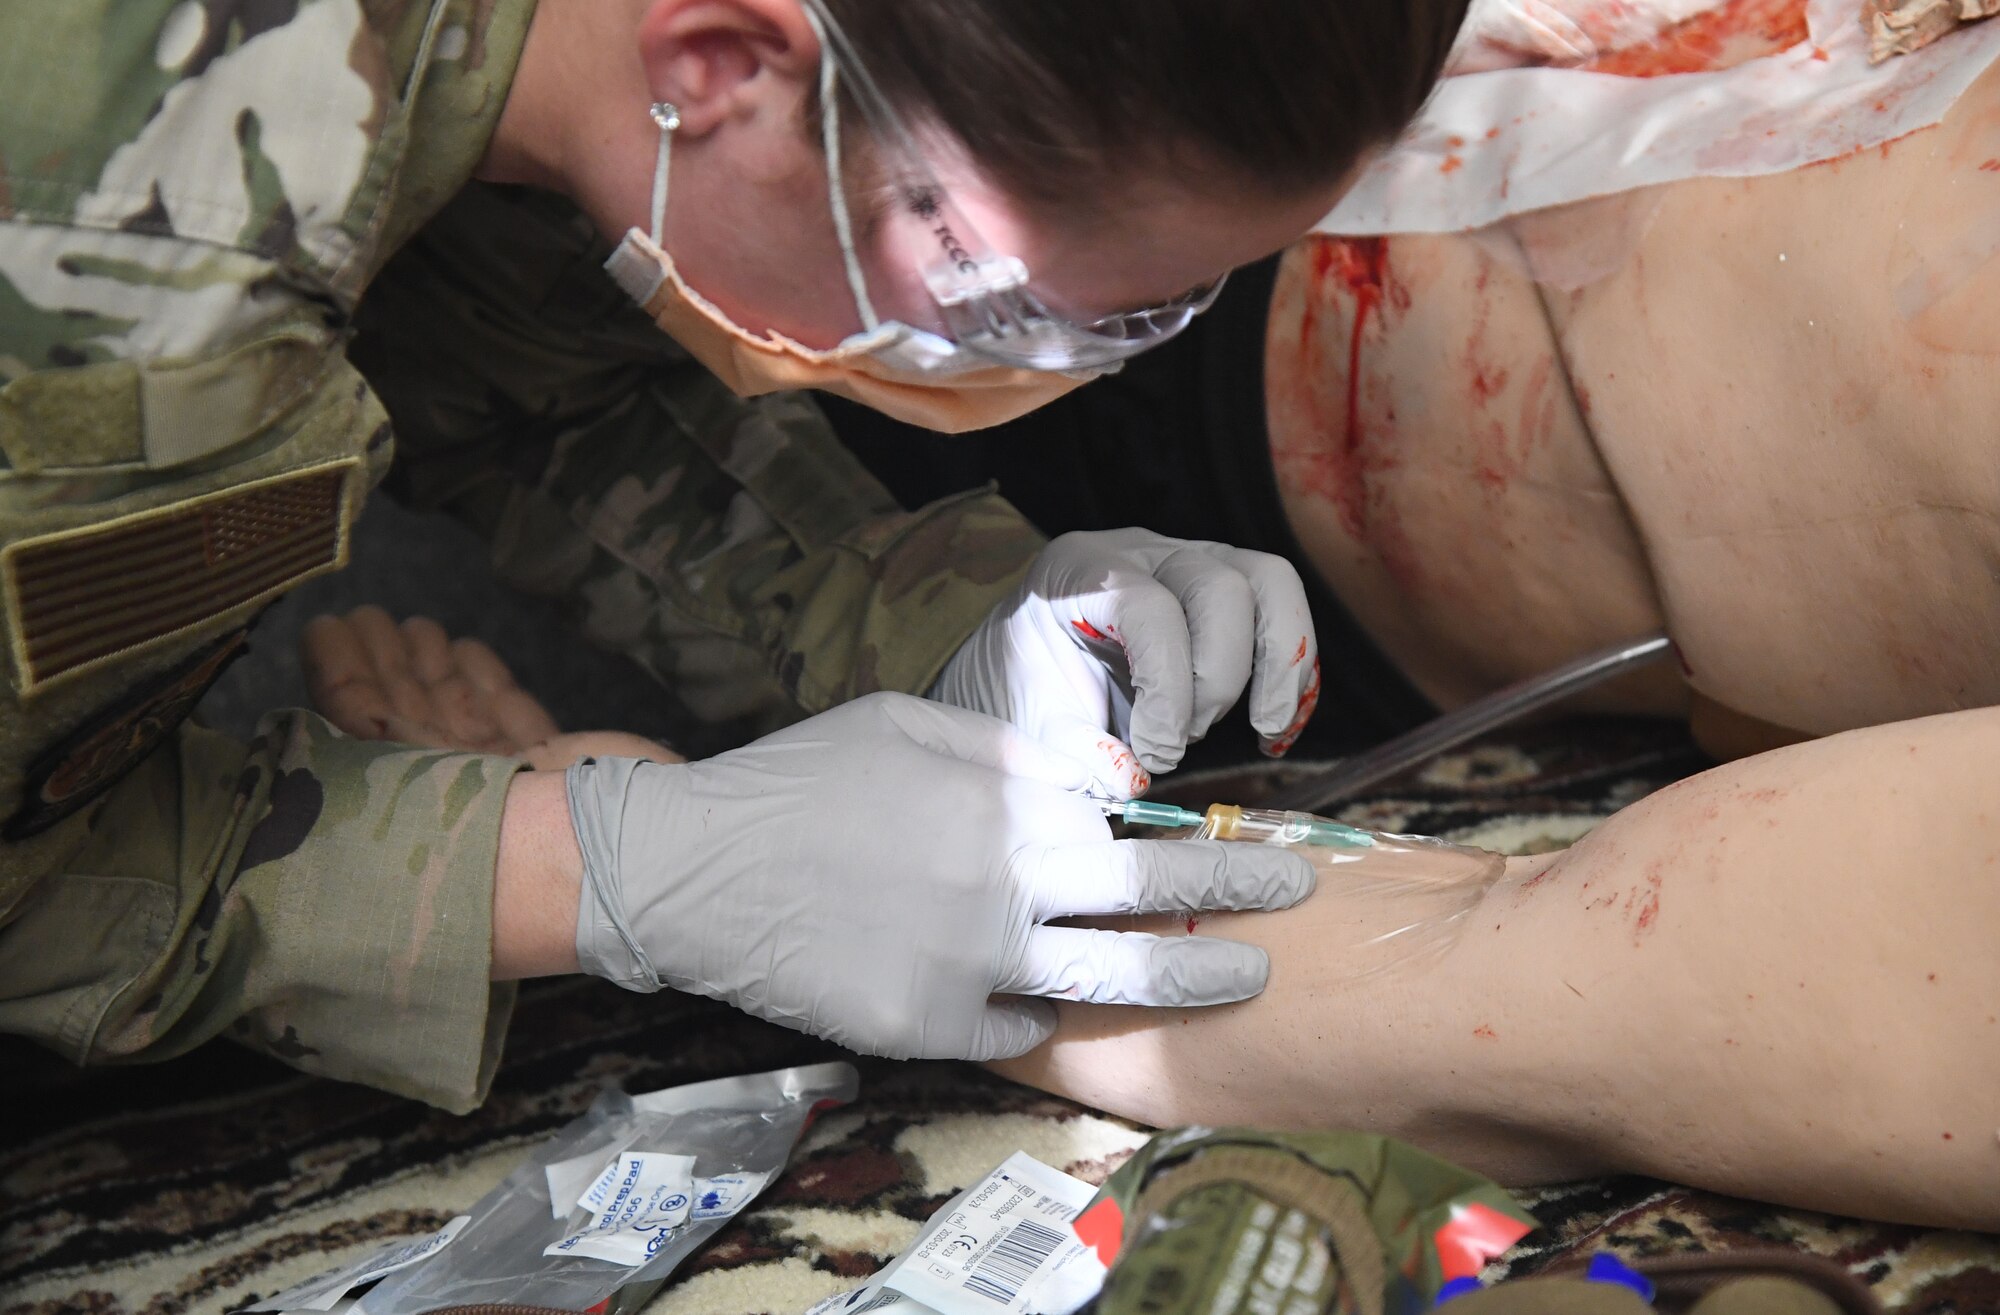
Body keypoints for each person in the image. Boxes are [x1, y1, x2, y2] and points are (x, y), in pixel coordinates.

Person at [338, 54, 2000, 1226]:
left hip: (1253, 364)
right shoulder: (129, 183)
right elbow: (63, 882)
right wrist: (566, 869)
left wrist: (665, 833)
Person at [0, 0, 1473, 1109]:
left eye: (1145, 318)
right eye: (1013, 307)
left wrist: (942, 621)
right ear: (719, 64)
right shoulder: (131, 254)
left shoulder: (570, 79)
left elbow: (523, 384)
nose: (1038, 384)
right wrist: (604, 865)